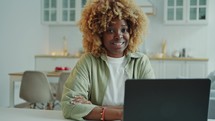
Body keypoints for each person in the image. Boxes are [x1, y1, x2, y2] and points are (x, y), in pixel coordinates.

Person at [61, 0, 155, 120]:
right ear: (99, 33)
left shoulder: (141, 62)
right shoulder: (88, 61)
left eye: (124, 29)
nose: (118, 36)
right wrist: (121, 114)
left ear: (132, 31)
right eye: (110, 30)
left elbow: (150, 105)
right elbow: (69, 105)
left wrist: (96, 108)